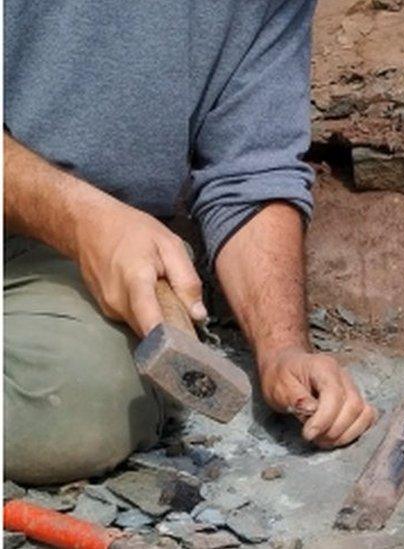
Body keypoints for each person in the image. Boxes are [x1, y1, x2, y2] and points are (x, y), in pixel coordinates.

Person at [3, 1, 377, 485]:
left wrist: (283, 348)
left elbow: (250, 167)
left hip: (44, 256)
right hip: (54, 216)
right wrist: (81, 219)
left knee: (79, 403)